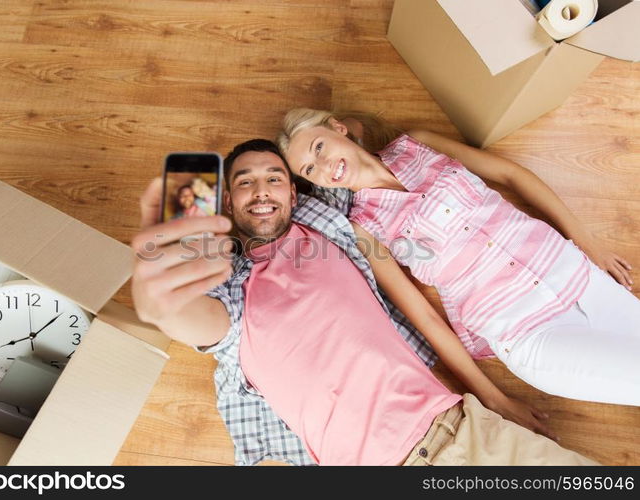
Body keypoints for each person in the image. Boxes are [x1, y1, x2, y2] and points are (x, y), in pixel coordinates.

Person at [131, 138, 596, 465]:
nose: (261, 191)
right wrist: (163, 307)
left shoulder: (336, 226)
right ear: (228, 202)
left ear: (293, 192)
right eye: (245, 183)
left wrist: (494, 400)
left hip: (472, 433)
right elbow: (203, 323)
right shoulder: (233, 288)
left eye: (273, 178)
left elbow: (343, 140)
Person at [277, 108, 640, 407]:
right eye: (309, 169)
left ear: (339, 129)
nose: (323, 167)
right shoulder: (363, 228)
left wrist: (589, 243)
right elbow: (424, 316)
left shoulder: (418, 143)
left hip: (579, 275)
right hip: (527, 331)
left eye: (319, 148)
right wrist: (493, 398)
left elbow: (510, 174)